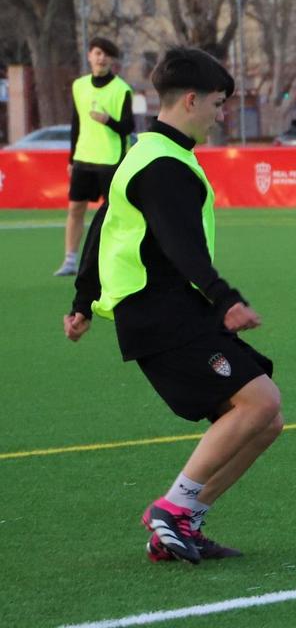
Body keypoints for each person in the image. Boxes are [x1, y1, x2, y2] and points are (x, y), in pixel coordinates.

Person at [63, 47, 283, 564]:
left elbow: (102, 227)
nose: (221, 115)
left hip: (171, 309)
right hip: (159, 310)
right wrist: (225, 298)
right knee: (260, 404)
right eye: (218, 104)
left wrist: (82, 300)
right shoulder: (163, 165)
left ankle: (182, 522)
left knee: (266, 418)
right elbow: (180, 244)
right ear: (190, 100)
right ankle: (172, 510)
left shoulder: (146, 152)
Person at [55, 37, 134, 276]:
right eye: (98, 53)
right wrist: (71, 159)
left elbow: (128, 127)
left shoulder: (121, 89)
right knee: (75, 209)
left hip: (111, 161)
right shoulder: (79, 86)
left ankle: (115, 260)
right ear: (89, 56)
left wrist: (108, 121)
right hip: (84, 159)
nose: (102, 58)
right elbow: (76, 124)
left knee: (115, 214)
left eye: (107, 54)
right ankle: (70, 260)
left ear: (112, 60)